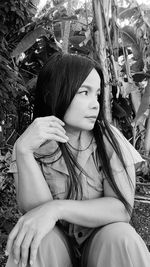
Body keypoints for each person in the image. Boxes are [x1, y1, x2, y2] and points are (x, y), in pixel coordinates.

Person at [5, 52, 150, 267]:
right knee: (37, 238)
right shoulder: (32, 143)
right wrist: (23, 151)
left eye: (97, 94)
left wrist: (58, 208)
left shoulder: (109, 139)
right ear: (53, 94)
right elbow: (35, 213)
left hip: (102, 245)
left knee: (122, 236)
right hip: (56, 248)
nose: (95, 104)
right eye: (84, 92)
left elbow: (121, 209)